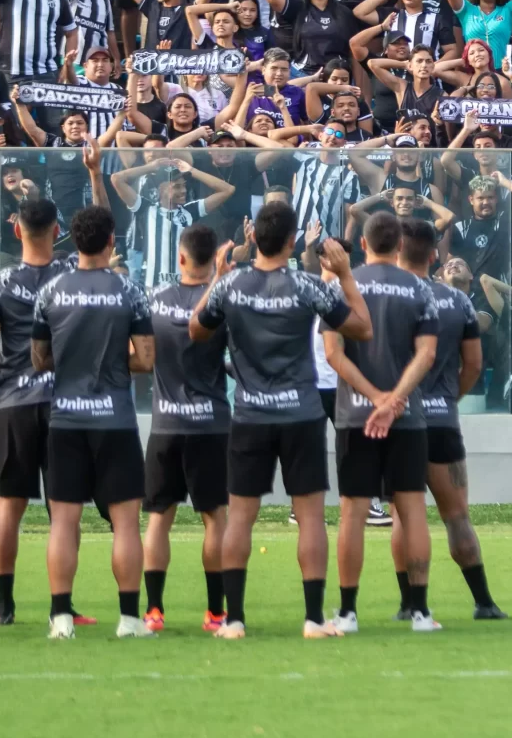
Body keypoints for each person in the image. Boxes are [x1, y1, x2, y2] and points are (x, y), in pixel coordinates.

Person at [187, 198, 371, 639]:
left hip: (250, 413)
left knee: (241, 518)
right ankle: (312, 618)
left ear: (254, 238)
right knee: (310, 518)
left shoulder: (231, 288)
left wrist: (217, 279)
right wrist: (345, 273)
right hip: (302, 413)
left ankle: (233, 620)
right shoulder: (309, 286)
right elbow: (362, 327)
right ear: (292, 242)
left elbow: (196, 330)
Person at [33, 203, 155, 639]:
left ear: (73, 239)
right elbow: (146, 359)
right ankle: (129, 619)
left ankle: (61, 617)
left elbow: (39, 358)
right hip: (115, 419)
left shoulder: (50, 291)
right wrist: (117, 365)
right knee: (125, 523)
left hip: (66, 418)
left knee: (63, 522)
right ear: (111, 241)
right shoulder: (130, 291)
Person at [324, 209, 440, 633]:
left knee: (353, 513)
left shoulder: (340, 285)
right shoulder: (420, 289)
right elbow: (426, 355)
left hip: (355, 416)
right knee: (412, 512)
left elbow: (333, 355)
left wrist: (374, 398)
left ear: (367, 243)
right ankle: (421, 612)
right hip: (406, 419)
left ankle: (348, 612)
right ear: (401, 246)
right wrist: (394, 401)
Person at [401, 217, 503, 620]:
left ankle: (410, 605)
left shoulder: (386, 294)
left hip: (401, 419)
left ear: (396, 251)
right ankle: (483, 602)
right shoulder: (457, 301)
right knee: (457, 514)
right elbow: (474, 366)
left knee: (403, 517)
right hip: (442, 418)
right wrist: (449, 397)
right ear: (434, 256)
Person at [0, 195, 63, 629]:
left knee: (7, 507)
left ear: (16, 230)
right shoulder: (72, 278)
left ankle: (4, 609)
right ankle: (60, 609)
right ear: (57, 231)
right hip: (66, 406)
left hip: (12, 405)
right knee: (61, 510)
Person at [140, 221, 231, 633]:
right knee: (214, 518)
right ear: (213, 259)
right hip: (211, 424)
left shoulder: (153, 300)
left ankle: (154, 610)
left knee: (159, 517)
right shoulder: (222, 303)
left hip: (165, 424)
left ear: (180, 257)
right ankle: (215, 613)